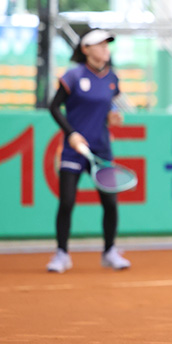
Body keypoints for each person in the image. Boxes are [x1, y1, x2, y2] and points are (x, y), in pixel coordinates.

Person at [46, 28, 131, 273]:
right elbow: (54, 107)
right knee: (67, 202)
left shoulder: (112, 78)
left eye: (107, 45)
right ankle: (61, 254)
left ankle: (109, 251)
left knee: (110, 203)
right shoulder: (73, 76)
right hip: (74, 150)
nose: (105, 49)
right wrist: (71, 133)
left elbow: (108, 106)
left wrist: (112, 116)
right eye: (100, 45)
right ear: (86, 49)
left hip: (101, 150)